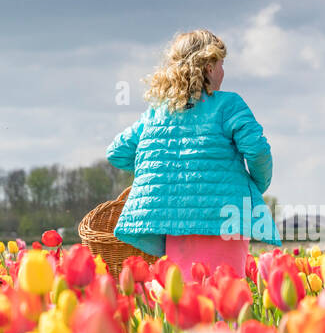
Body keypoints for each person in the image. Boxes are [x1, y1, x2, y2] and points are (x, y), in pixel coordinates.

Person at [106, 29, 279, 273]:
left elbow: (117, 152)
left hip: (175, 223)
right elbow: (258, 150)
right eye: (221, 64)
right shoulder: (229, 105)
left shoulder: (157, 113)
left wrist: (161, 169)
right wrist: (256, 185)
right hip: (226, 219)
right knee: (224, 295)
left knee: (187, 298)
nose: (222, 72)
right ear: (209, 67)